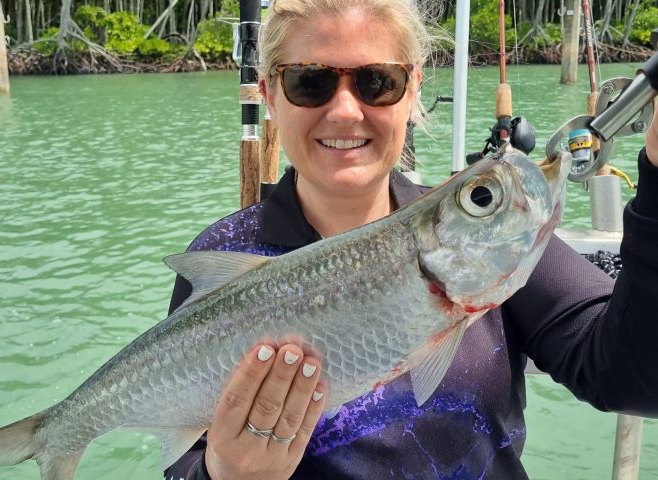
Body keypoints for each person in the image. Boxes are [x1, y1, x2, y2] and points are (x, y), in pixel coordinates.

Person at [164, 0, 658, 478]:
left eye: (377, 83)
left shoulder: (482, 234)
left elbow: (638, 376)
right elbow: (183, 458)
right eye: (308, 82)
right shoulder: (224, 252)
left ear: (413, 90)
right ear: (270, 94)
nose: (343, 111)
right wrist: (226, 475)